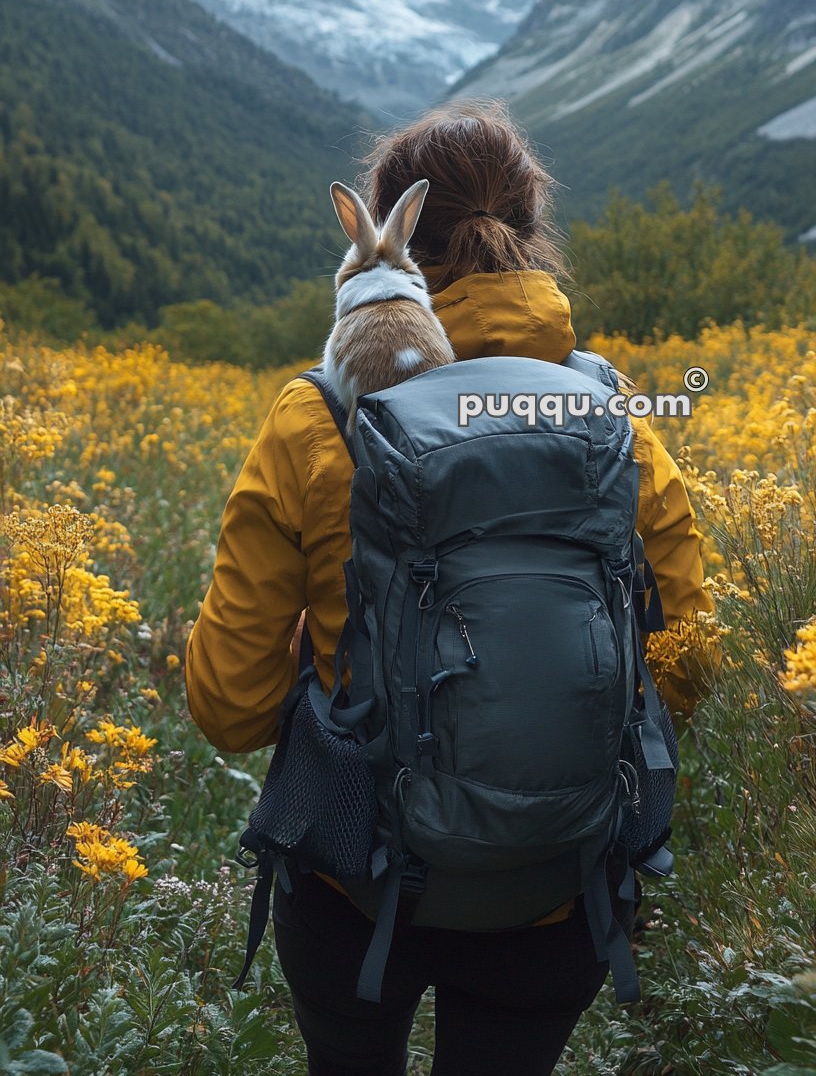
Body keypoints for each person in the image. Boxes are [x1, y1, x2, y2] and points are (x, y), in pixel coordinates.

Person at [185, 100, 713, 1076]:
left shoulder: (317, 419)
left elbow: (228, 707)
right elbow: (686, 665)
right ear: (531, 234)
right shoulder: (613, 414)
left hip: (355, 881)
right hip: (558, 890)